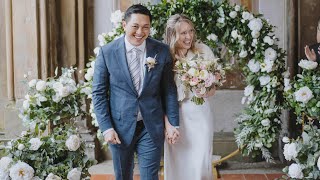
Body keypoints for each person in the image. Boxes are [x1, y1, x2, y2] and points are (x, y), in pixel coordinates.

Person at [92, 4, 179, 180]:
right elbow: (99, 94)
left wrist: (173, 123)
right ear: (124, 25)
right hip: (119, 128)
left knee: (150, 177)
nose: (140, 32)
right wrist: (107, 128)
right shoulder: (107, 52)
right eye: (135, 26)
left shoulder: (161, 51)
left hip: (151, 125)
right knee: (123, 176)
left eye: (146, 27)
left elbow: (169, 90)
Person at [163, 14, 219, 180]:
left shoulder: (203, 50)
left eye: (191, 31)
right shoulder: (165, 56)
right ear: (173, 35)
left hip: (200, 113)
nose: (189, 37)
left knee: (201, 162)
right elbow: (161, 94)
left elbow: (213, 88)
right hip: (176, 116)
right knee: (178, 165)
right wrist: (168, 124)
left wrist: (204, 91)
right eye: (183, 33)